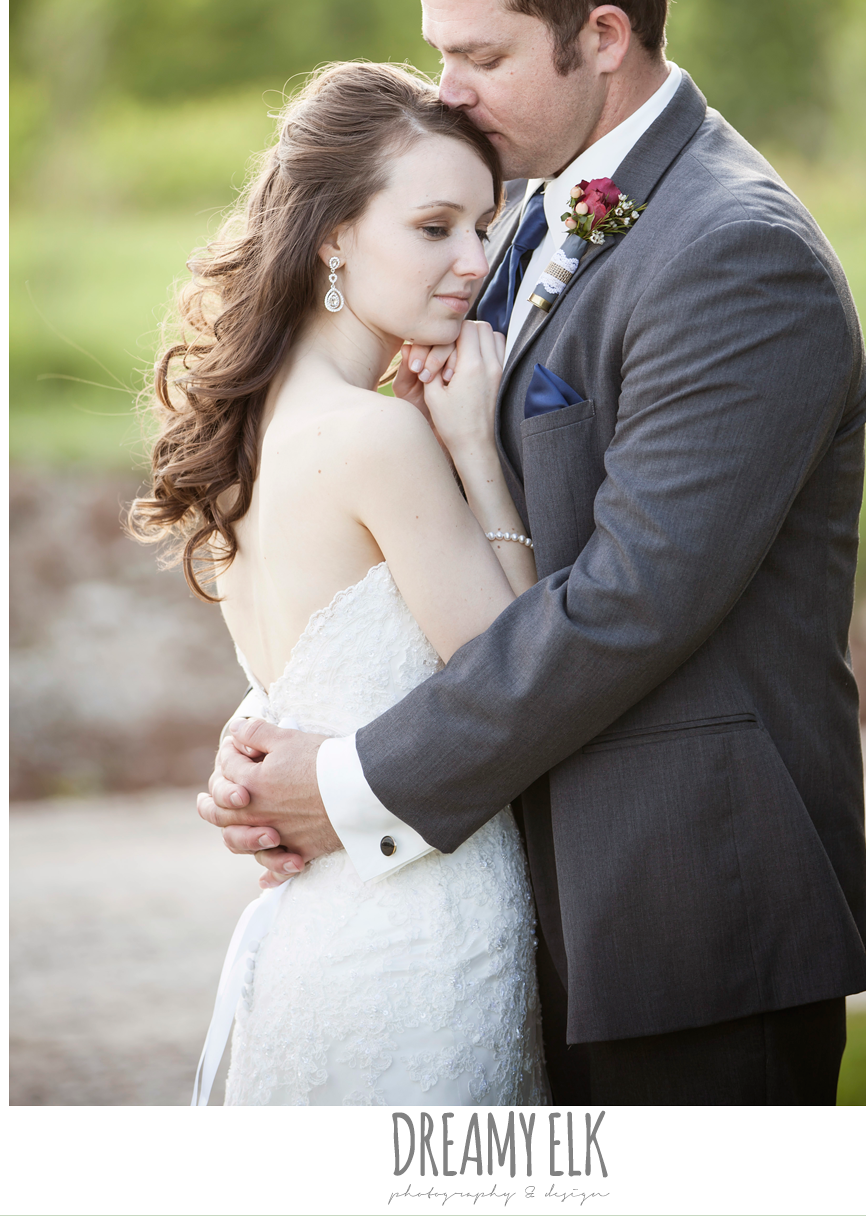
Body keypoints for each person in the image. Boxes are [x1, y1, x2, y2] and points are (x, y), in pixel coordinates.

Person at [198, 0, 866, 1106]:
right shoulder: (534, 210)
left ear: (600, 36)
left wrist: (348, 782)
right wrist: (278, 740)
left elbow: (633, 599)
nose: (448, 91)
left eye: (480, 57)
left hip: (683, 906)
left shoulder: (734, 254)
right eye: (438, 54)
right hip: (523, 889)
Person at [129, 61, 549, 1107]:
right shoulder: (379, 435)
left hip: (317, 926)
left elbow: (308, 679)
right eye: (434, 227)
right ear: (332, 234)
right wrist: (478, 452)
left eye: (483, 227)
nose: (474, 261)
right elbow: (511, 671)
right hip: (422, 924)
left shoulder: (248, 433)